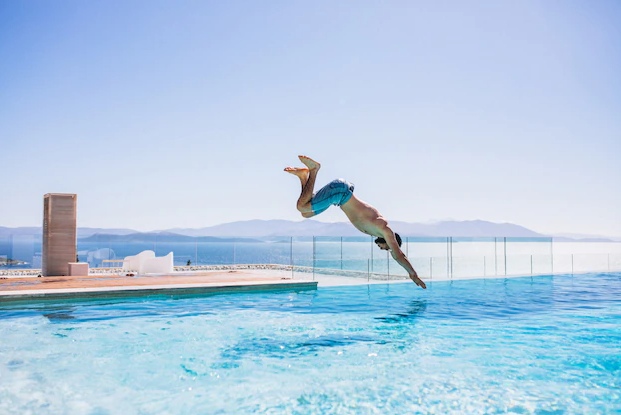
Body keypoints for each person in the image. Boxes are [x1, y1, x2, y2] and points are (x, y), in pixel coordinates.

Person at [285, 155, 427, 289]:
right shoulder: (384, 228)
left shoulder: (375, 230)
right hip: (341, 192)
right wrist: (413, 274)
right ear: (391, 241)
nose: (383, 249)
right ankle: (314, 170)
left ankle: (304, 177)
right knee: (301, 206)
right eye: (387, 247)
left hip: (338, 197)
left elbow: (395, 254)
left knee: (306, 213)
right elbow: (398, 255)